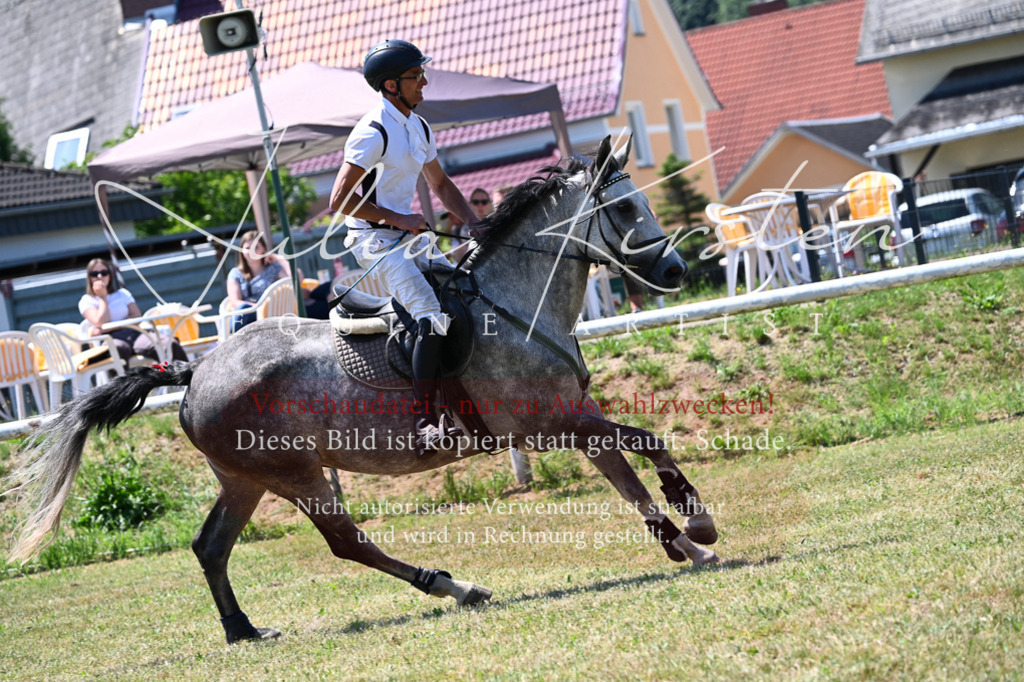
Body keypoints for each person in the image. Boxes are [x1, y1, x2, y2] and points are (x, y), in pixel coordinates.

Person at [329, 39, 478, 457]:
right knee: (431, 317)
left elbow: (442, 185)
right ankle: (424, 420)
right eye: (417, 76)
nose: (425, 82)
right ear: (391, 85)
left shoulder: (419, 124)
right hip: (372, 241)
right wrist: (399, 219)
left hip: (406, 236)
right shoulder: (372, 130)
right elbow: (339, 200)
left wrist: (477, 223)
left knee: (463, 291)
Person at [79, 258, 188, 363]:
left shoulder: (123, 294)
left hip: (135, 333)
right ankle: (123, 382)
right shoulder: (87, 300)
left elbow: (137, 317)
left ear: (110, 275)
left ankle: (184, 378)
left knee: (168, 344)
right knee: (116, 351)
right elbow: (102, 322)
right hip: (112, 339)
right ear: (89, 277)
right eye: (94, 274)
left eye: (104, 272)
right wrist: (103, 297)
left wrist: (108, 327)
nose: (100, 276)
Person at [225, 229, 291, 332]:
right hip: (248, 315)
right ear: (241, 251)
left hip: (271, 316)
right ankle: (233, 341)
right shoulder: (235, 273)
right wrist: (258, 307)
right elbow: (235, 301)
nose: (251, 252)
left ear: (263, 249)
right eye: (247, 248)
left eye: (255, 247)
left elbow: (293, 281)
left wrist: (280, 259)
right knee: (243, 308)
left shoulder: (273, 268)